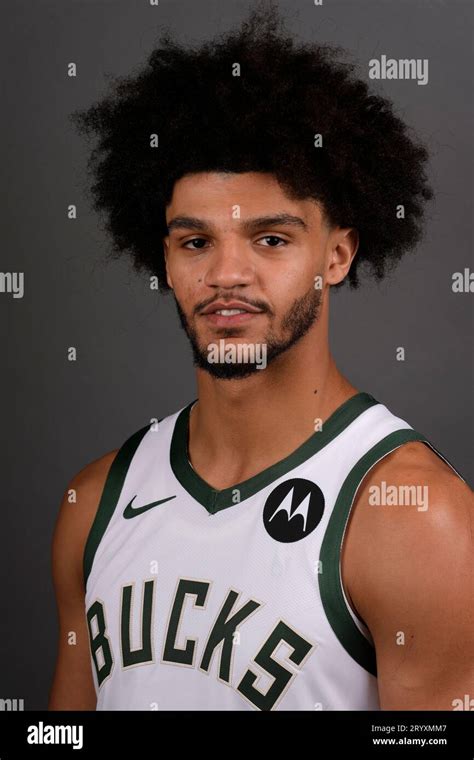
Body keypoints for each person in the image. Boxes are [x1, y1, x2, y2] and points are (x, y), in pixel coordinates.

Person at [48, 2, 473, 711]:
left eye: (271, 240)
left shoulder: (416, 519)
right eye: (196, 242)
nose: (227, 275)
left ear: (336, 255)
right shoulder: (94, 503)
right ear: (165, 258)